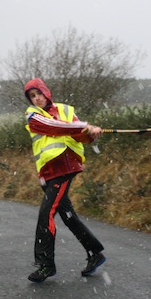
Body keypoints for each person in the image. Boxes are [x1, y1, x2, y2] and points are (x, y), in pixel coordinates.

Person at [24, 78, 106, 283]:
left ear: (46, 92)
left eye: (39, 94)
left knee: (46, 214)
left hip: (64, 167)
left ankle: (46, 265)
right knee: (67, 215)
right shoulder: (33, 115)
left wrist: (91, 134)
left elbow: (81, 137)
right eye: (32, 96)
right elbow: (52, 126)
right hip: (46, 172)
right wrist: (84, 126)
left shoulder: (66, 110)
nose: (37, 98)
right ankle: (95, 252)